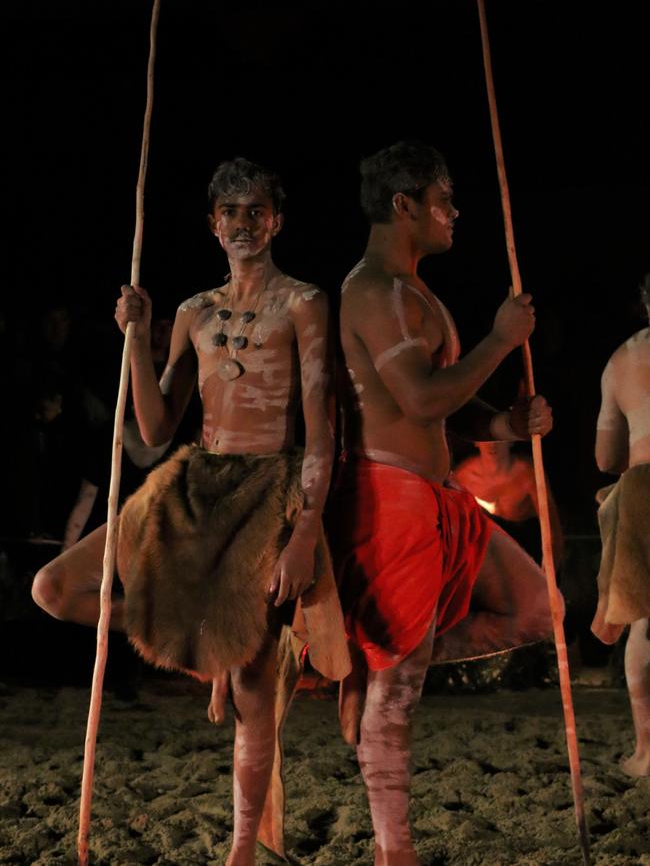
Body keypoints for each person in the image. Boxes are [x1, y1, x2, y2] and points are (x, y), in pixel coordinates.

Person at [32, 157, 349, 866]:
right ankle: (191, 638)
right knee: (52, 589)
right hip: (194, 477)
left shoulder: (304, 302)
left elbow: (321, 428)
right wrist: (133, 339)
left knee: (251, 681)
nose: (242, 223)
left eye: (255, 210)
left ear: (277, 220)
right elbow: (152, 426)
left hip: (268, 485)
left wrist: (305, 530)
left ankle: (242, 848)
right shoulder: (194, 312)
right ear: (212, 223)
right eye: (229, 211)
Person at [328, 140, 558, 866]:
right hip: (392, 497)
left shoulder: (416, 291)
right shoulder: (370, 290)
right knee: (397, 704)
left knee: (540, 610)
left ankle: (383, 661)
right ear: (404, 206)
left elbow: (444, 404)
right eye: (443, 199)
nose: (454, 213)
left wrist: (504, 425)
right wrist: (497, 339)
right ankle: (394, 851)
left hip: (444, 497)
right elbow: (420, 397)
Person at [591, 272, 650, 777]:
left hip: (643, 488)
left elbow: (606, 457)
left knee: (644, 625)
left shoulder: (622, 361)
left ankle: (647, 752)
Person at [453, 439, 564, 569]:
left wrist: (548, 570)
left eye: (498, 439)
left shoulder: (527, 473)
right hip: (488, 552)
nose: (492, 445)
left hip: (529, 547)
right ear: (477, 442)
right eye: (486, 439)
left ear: (510, 441)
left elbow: (551, 527)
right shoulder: (463, 477)